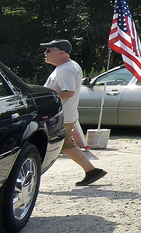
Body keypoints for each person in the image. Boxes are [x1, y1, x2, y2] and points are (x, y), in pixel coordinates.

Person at [42, 40, 107, 186]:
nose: (45, 54)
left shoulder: (65, 69)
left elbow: (68, 92)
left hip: (61, 116)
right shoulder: (68, 66)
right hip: (66, 115)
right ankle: (92, 171)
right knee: (67, 146)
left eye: (48, 50)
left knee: (43, 145)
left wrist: (46, 98)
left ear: (61, 52)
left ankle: (30, 176)